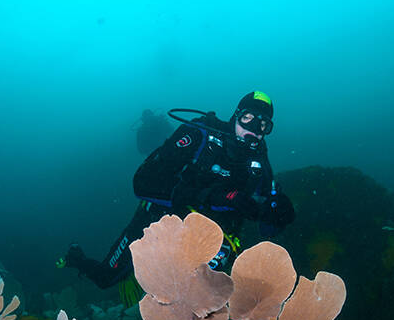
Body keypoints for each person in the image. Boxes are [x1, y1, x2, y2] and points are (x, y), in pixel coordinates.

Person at [58, 91, 295, 300]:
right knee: (106, 278)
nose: (253, 128)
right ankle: (75, 258)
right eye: (248, 118)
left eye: (263, 125)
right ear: (235, 115)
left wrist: (277, 213)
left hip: (209, 241)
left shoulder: (258, 163)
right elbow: (142, 183)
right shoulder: (200, 134)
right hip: (159, 220)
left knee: (200, 298)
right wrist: (209, 196)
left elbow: (266, 225)